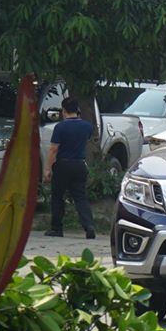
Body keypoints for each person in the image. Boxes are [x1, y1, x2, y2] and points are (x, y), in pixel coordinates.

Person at [44, 95, 97, 239]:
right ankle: (89, 226)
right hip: (79, 164)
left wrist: (48, 168)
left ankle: (57, 228)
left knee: (57, 196)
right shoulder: (87, 126)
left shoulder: (60, 127)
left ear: (64, 111)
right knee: (80, 197)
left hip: (63, 164)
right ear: (78, 110)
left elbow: (54, 149)